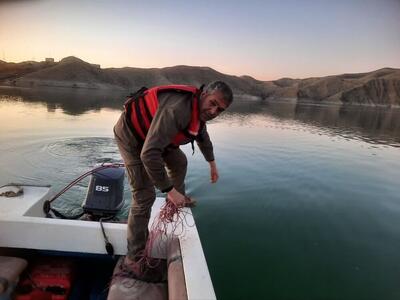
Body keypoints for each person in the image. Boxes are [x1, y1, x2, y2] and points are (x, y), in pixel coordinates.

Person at [113, 81, 233, 281]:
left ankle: (174, 203)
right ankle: (133, 259)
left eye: (219, 110)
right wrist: (169, 190)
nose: (213, 111)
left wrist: (212, 163)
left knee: (179, 161)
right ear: (203, 93)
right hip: (132, 138)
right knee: (144, 196)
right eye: (212, 103)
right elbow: (149, 154)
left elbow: (202, 136)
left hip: (154, 138)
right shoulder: (177, 109)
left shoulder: (199, 111)